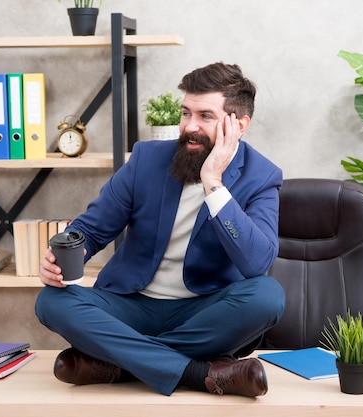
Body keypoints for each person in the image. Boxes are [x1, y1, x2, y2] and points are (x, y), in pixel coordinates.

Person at [36, 62, 285, 397]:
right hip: (131, 304)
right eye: (186, 113)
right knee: (51, 301)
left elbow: (257, 263)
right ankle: (198, 373)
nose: (189, 126)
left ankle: (121, 363)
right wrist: (64, 256)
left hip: (204, 310)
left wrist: (213, 182)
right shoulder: (147, 159)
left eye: (205, 116)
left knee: (268, 297)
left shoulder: (261, 176)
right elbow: (92, 230)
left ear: (238, 124)